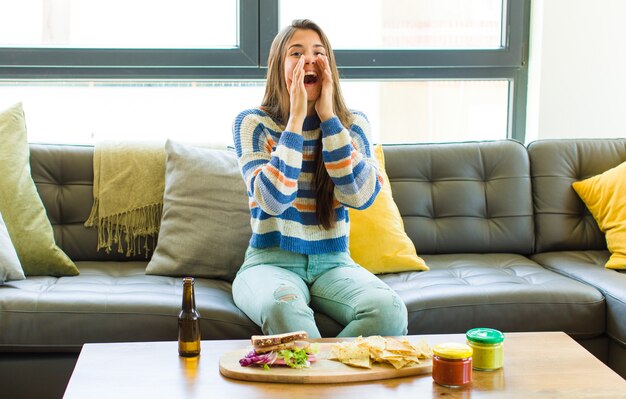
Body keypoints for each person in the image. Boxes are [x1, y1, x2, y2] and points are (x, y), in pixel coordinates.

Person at [232, 19, 408, 338]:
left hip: (335, 263)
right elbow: (272, 200)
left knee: (391, 312)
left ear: (329, 67)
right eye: (296, 53)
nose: (307, 61)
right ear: (278, 66)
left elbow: (361, 196)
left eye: (318, 52)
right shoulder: (252, 123)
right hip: (269, 263)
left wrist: (329, 120)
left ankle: (321, 381)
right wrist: (296, 119)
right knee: (282, 310)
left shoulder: (352, 126)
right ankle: (325, 382)